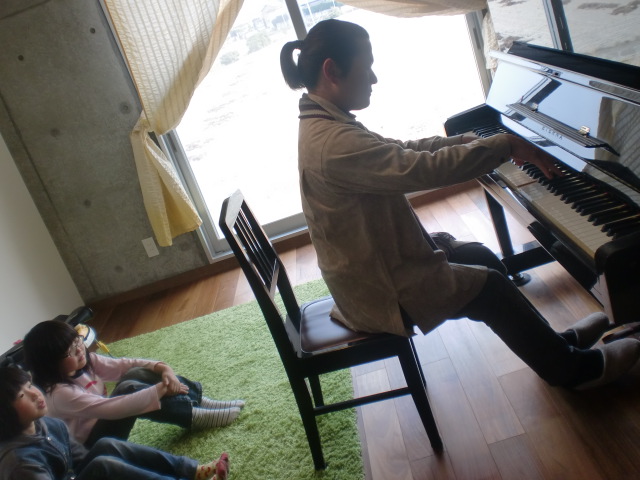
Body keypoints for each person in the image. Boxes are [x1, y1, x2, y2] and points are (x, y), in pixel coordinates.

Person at [279, 18, 640, 390]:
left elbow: (400, 150)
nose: (374, 78)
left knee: (480, 257)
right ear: (332, 71)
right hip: (380, 292)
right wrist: (503, 145)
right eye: (367, 66)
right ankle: (573, 371)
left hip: (376, 268)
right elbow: (421, 169)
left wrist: (469, 141)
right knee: (490, 289)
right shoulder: (333, 144)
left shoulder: (326, 123)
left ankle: (554, 347)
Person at [22, 320, 244, 447]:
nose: (79, 350)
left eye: (77, 341)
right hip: (95, 445)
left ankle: (199, 400)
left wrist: (163, 368)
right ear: (50, 364)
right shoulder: (58, 394)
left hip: (104, 420)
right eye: (69, 351)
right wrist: (159, 390)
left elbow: (124, 365)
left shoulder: (84, 361)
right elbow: (112, 408)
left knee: (136, 373)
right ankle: (193, 416)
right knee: (127, 390)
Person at [0, 366, 229, 480]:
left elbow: (80, 459)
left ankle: (191, 470)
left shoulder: (48, 424)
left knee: (106, 445)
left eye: (30, 386)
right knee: (103, 465)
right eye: (22, 395)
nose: (35, 394)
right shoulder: (20, 463)